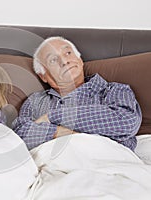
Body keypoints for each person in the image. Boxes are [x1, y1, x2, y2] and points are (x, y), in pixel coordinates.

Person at [12, 36, 142, 151]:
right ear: (43, 76)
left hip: (107, 164)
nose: (64, 61)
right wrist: (63, 133)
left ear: (80, 60)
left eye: (68, 53)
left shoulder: (115, 90)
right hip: (54, 168)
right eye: (53, 60)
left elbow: (126, 121)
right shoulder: (35, 101)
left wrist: (52, 117)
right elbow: (21, 134)